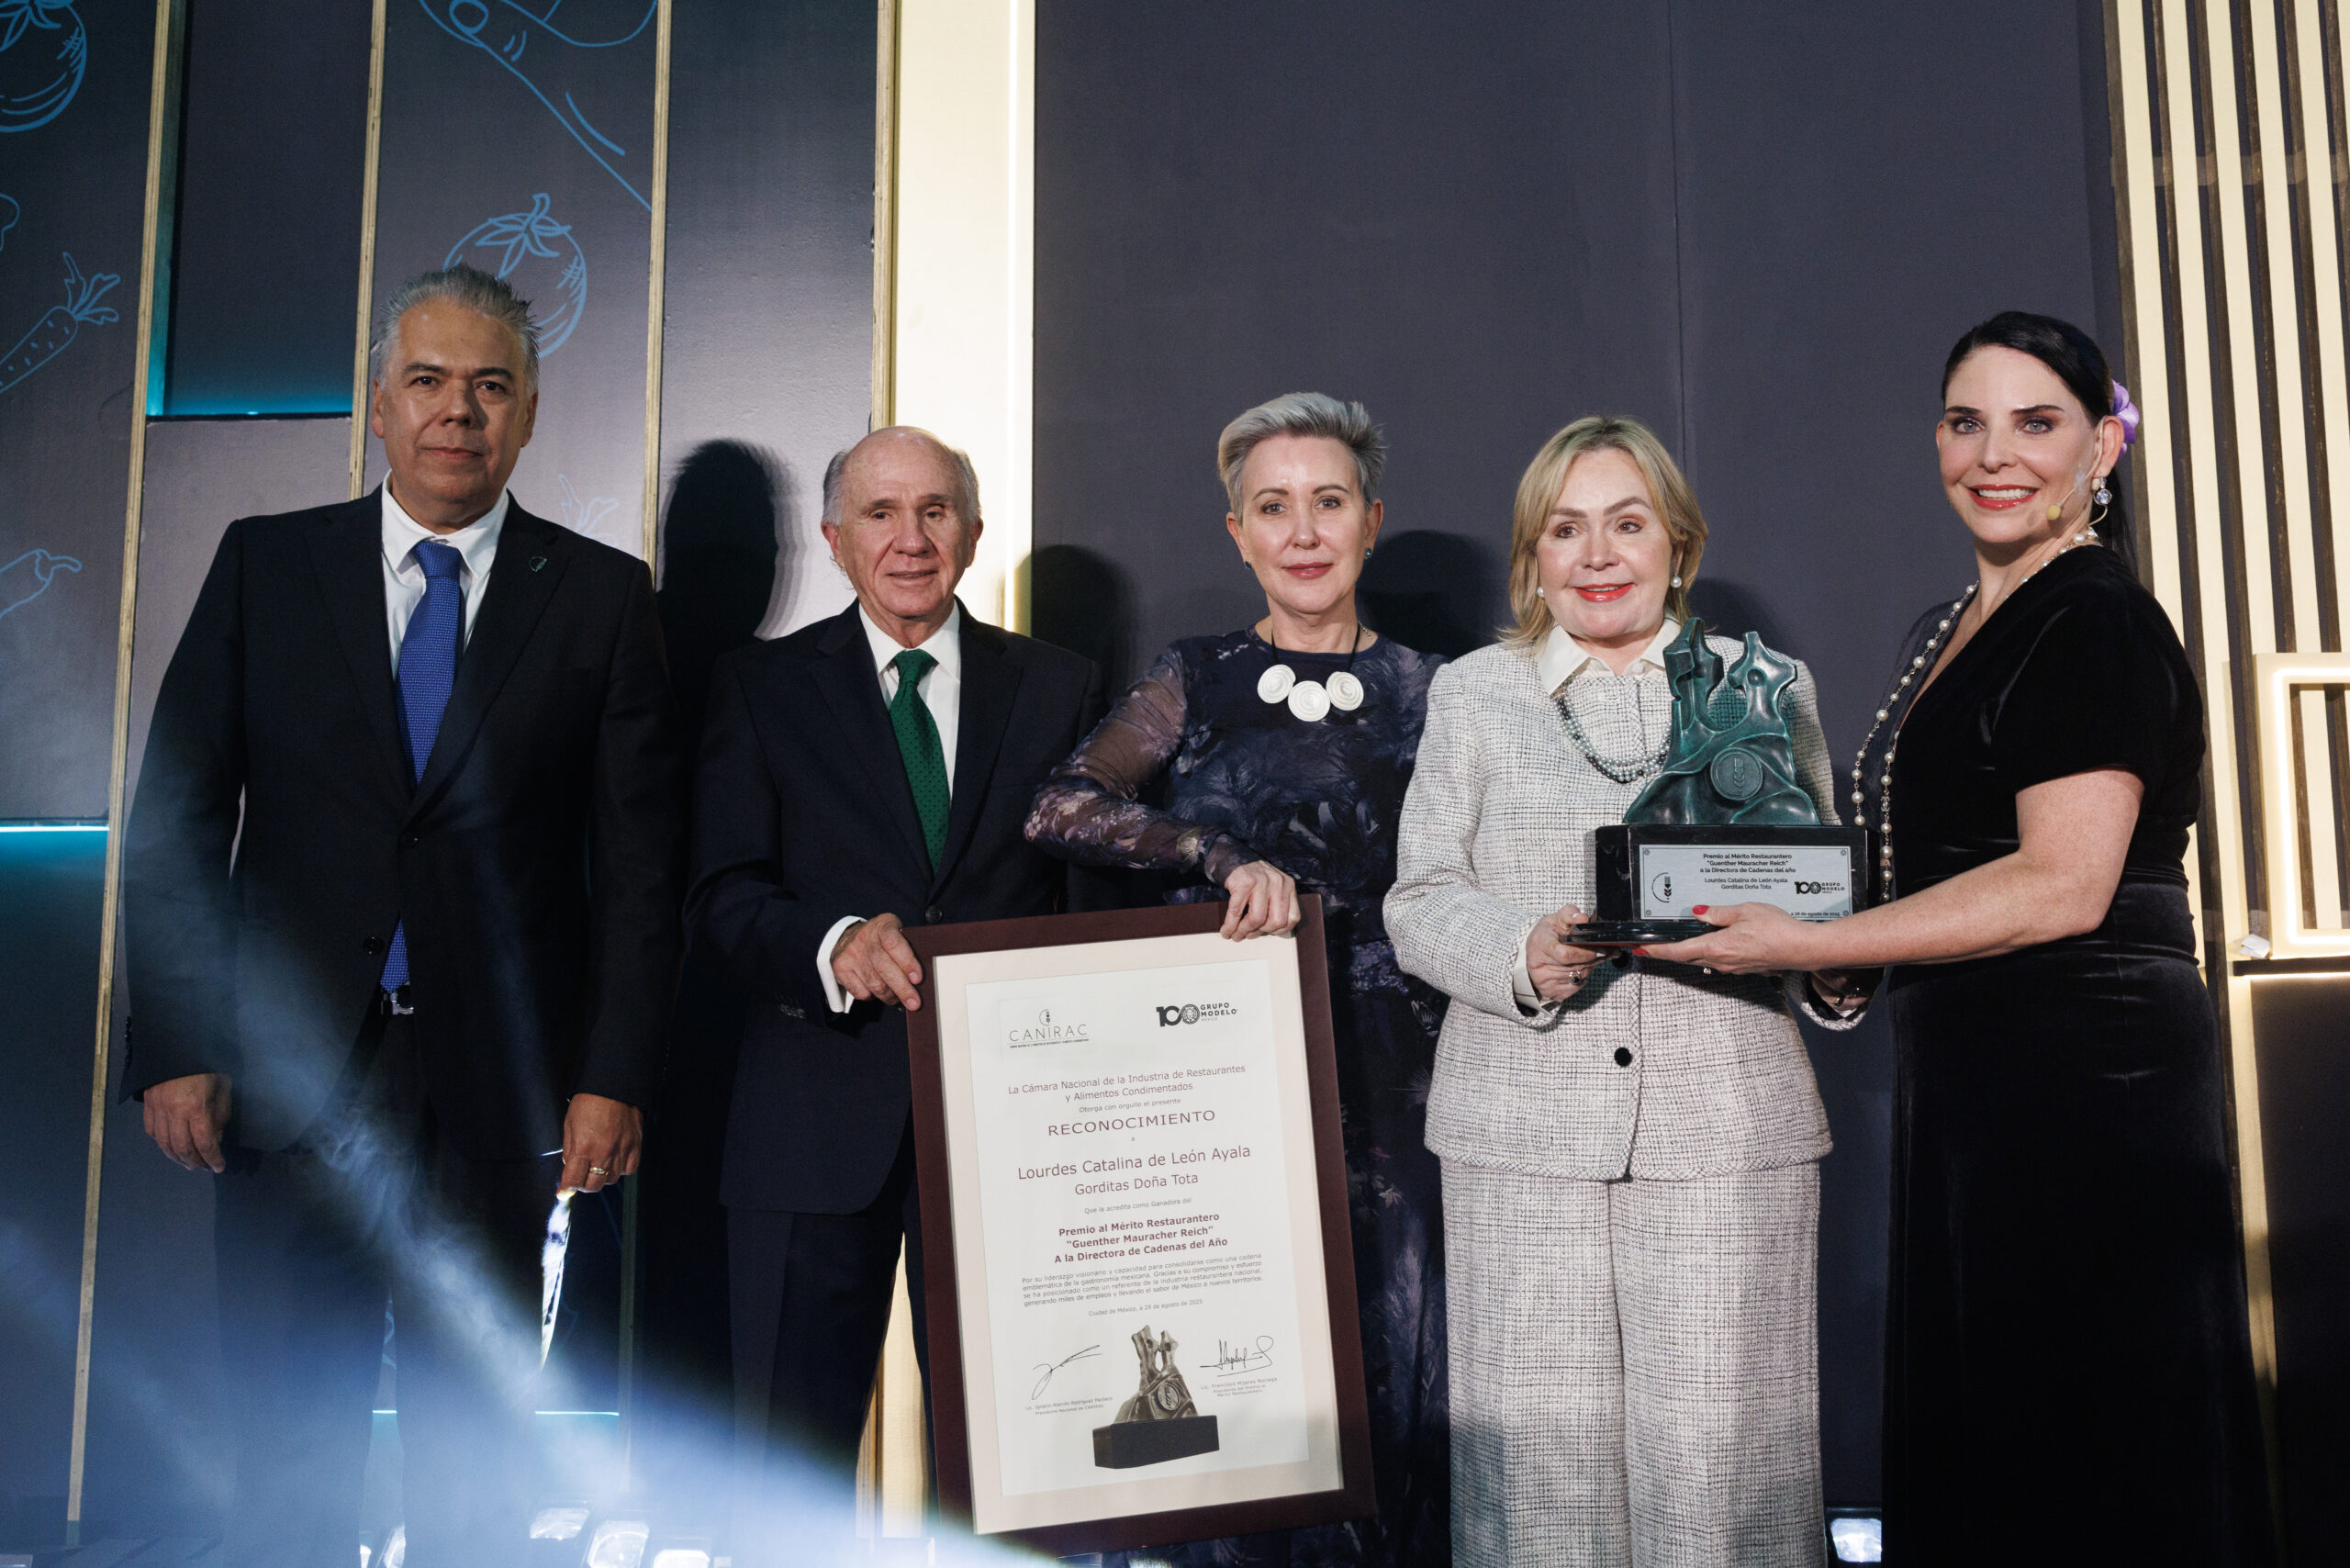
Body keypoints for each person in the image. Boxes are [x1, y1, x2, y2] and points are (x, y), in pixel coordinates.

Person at [1650, 313, 2276, 1566]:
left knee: (2084, 1433)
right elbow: (1933, 863)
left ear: (2102, 447)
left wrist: (1809, 942)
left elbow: (2063, 885)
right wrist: (1833, 951)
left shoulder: (2093, 617)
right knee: (2006, 1426)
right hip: (1985, 1078)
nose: (1994, 455)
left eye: (2036, 423)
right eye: (1964, 421)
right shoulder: (1954, 624)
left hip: (2087, 1084)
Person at [123, 264, 684, 1567]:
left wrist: (611, 1073)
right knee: (286, 1451)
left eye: (490, 386)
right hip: (287, 1079)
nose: (456, 411)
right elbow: (179, 823)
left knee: (474, 1461)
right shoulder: (267, 565)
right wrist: (176, 1043)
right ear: (379, 405)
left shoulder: (601, 598)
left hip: (501, 1094)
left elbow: (639, 866)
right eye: (427, 381)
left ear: (529, 415)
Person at [1385, 415, 1855, 1568]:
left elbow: (1817, 894)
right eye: (1566, 529)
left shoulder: (1765, 685)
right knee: (1541, 1504)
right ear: (1532, 558)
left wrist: (1837, 965)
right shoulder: (1474, 693)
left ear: (1678, 545)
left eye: (1628, 524)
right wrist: (1517, 951)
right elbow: (1419, 895)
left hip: (1728, 1136)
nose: (1597, 555)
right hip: (1520, 1144)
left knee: (1723, 1492)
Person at [1026, 392, 1451, 1567]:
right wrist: (1210, 852)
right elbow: (1060, 805)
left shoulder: (1440, 688)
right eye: (1273, 507)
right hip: (1225, 1083)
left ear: (1371, 521)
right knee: (1233, 1358)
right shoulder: (1195, 677)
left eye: (1328, 502)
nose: (1303, 532)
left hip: (1405, 1089)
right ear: (1237, 534)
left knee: (1395, 1372)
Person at [686, 427, 1106, 1552]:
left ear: (973, 533)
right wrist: (830, 944)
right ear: (834, 539)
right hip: (808, 1125)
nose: (909, 539)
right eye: (880, 513)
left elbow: (1088, 913)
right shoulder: (760, 688)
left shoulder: (1059, 687)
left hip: (1011, 1139)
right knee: (786, 1472)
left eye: (934, 511)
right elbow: (718, 896)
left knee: (1019, 1465)